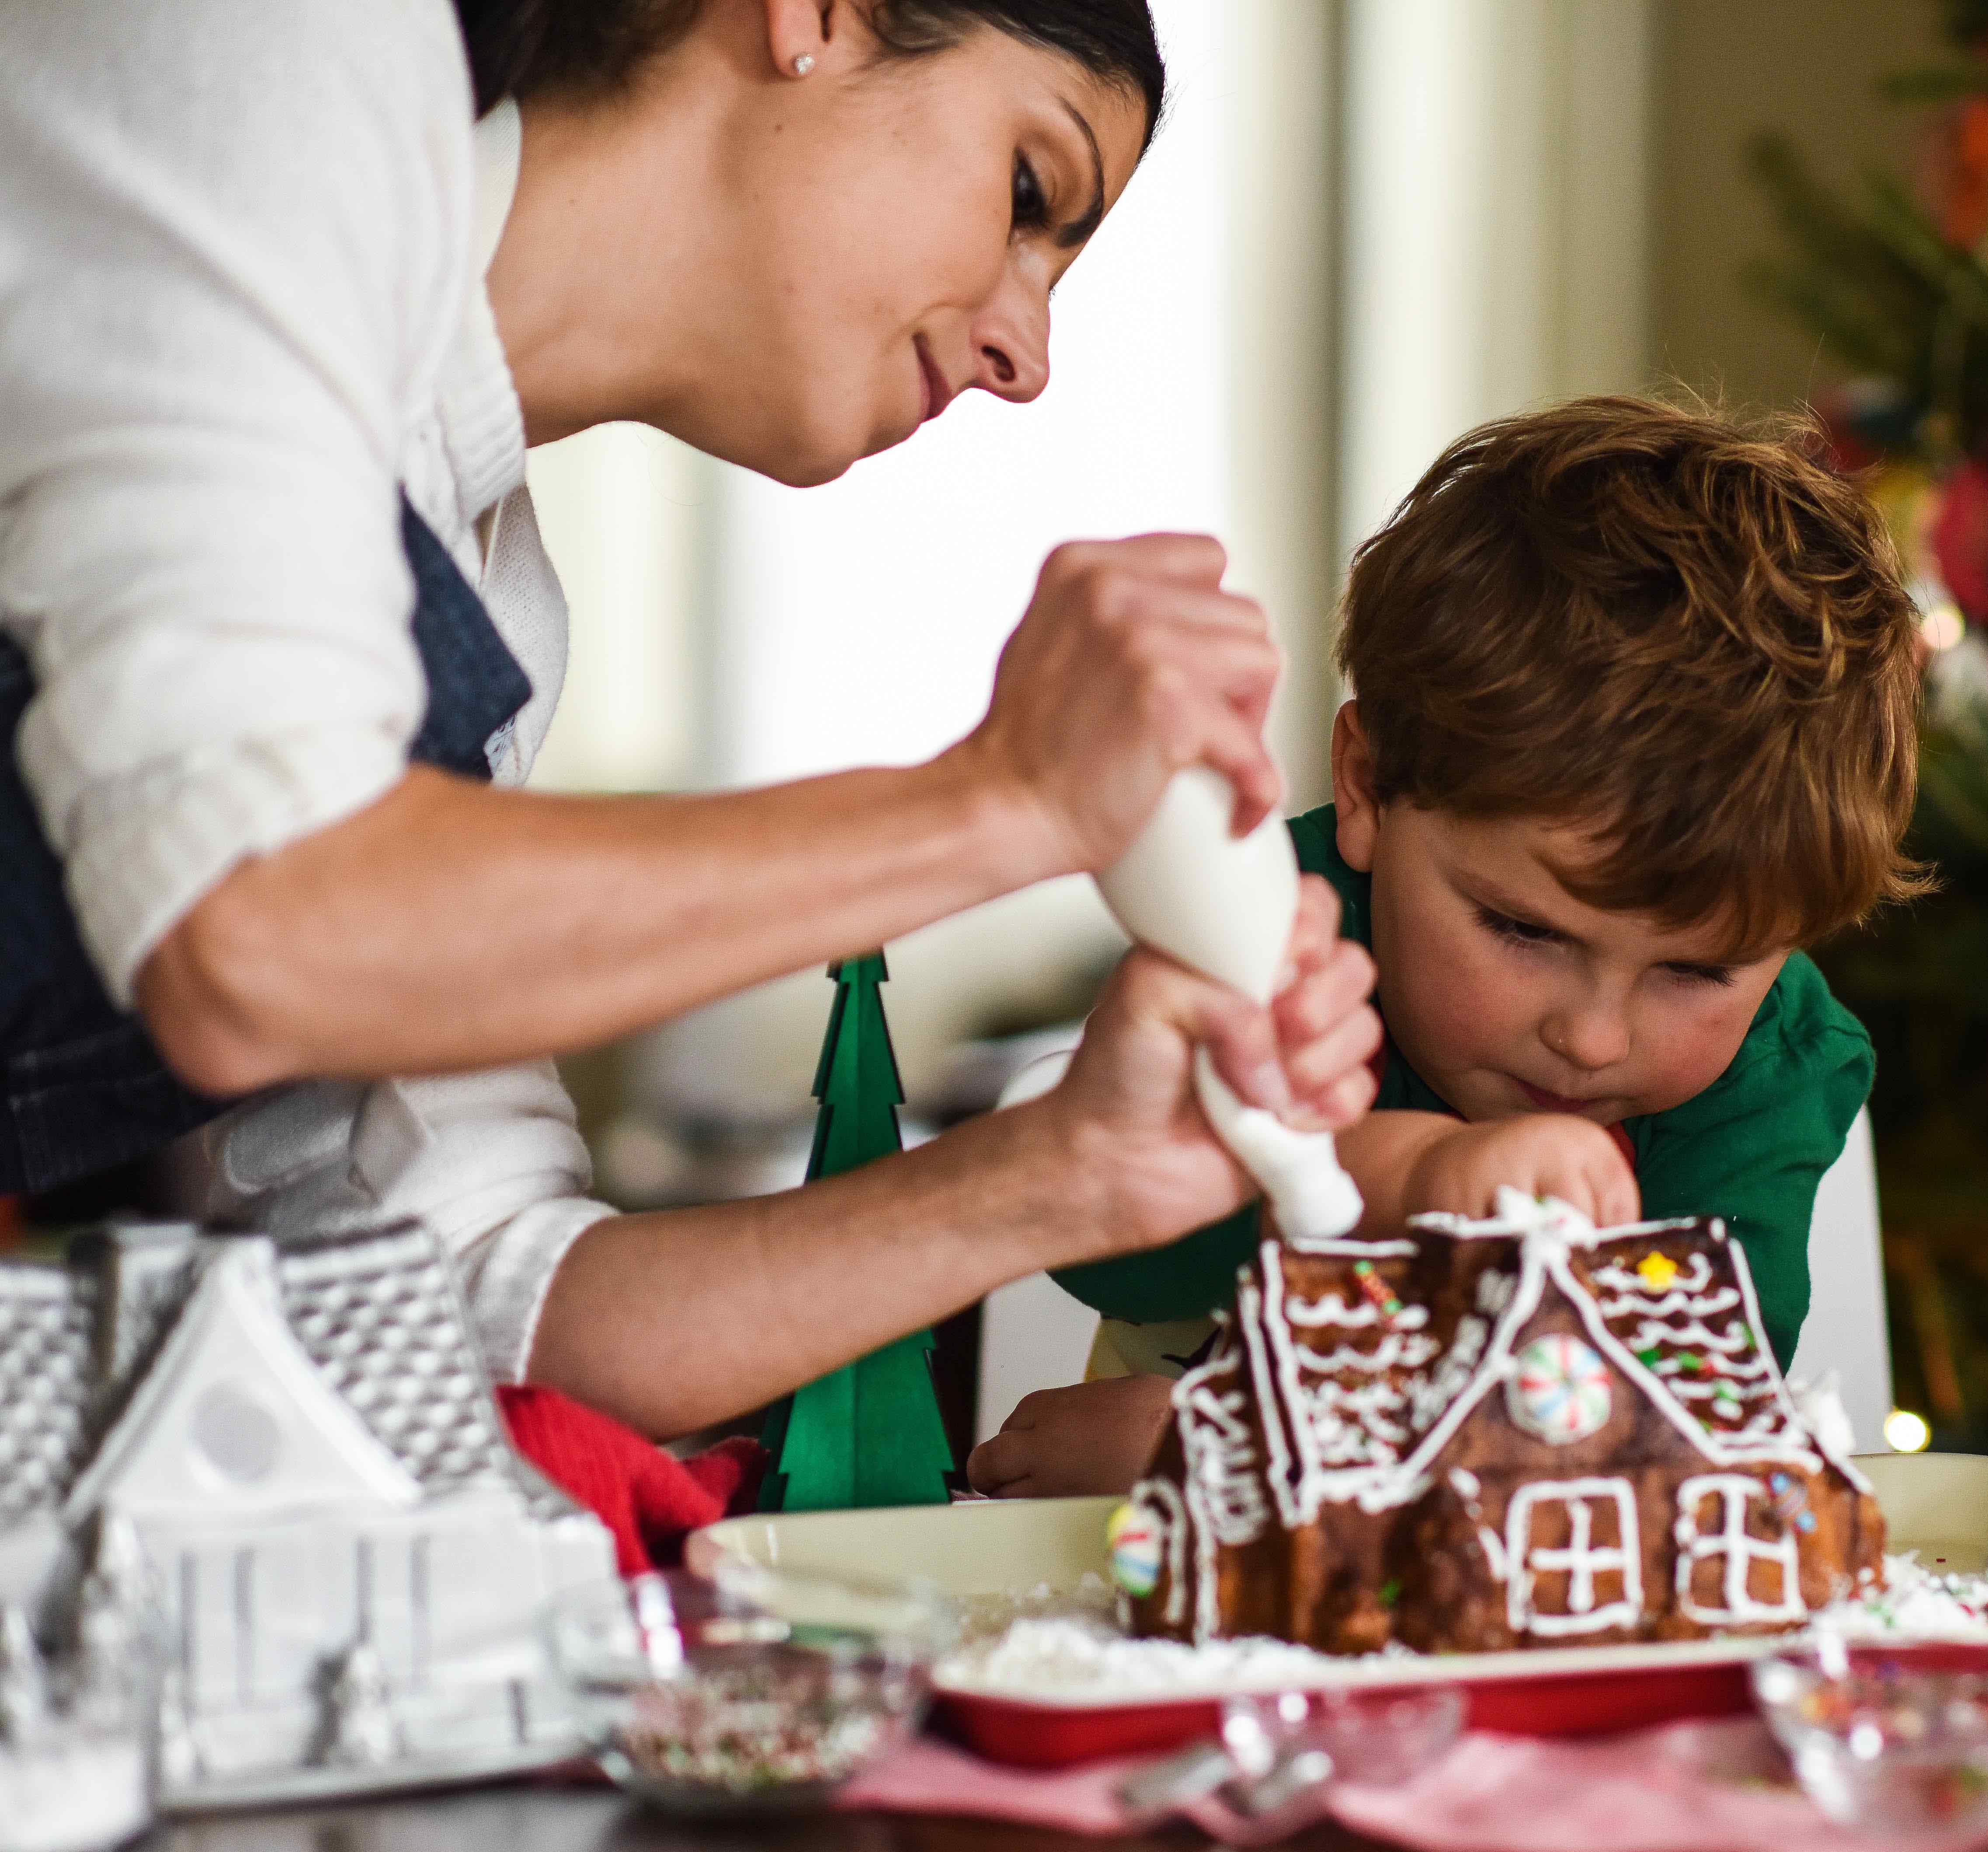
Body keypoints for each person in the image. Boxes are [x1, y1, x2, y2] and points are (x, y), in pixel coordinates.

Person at [0, 0, 1376, 1442]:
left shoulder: (486, 609)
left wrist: (1053, 1177)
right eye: (1031, 192)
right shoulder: (277, 49)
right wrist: (1004, 801)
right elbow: (255, 926)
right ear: (814, 19)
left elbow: (471, 1305)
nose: (1029, 356)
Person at [971, 396, 1926, 1497]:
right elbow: (1104, 1240)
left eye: (1695, 970)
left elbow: (1690, 1394)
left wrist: (1229, 1441)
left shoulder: (1769, 1069)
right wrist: (1410, 1177)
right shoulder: (1264, 933)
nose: (1591, 1037)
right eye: (1523, 929)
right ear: (1368, 786)